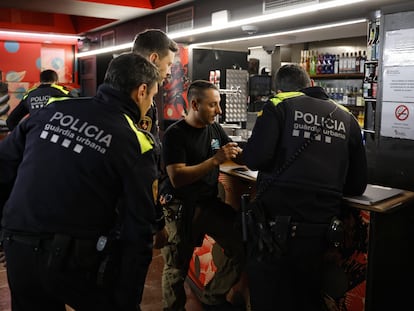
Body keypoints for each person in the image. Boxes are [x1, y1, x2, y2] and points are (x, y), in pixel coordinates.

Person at [0, 53, 161, 311]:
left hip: (18, 244)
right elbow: (138, 230)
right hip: (75, 258)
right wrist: (128, 301)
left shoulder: (52, 110)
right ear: (142, 91)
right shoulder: (136, 143)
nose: (150, 102)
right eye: (152, 95)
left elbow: (4, 166)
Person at [242, 64, 367, 311]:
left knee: (268, 299)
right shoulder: (346, 117)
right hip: (320, 235)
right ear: (311, 83)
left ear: (279, 88)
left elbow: (255, 159)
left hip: (274, 232)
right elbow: (356, 184)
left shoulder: (279, 105)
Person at [160, 80, 245, 311]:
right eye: (213, 105)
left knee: (241, 244)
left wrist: (254, 156)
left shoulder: (214, 129)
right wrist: (215, 160)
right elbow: (177, 177)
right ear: (195, 104)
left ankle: (212, 297)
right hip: (181, 207)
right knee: (177, 266)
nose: (219, 111)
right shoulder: (175, 135)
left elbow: (233, 153)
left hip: (208, 203)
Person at [132, 28, 178, 144]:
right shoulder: (133, 95)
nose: (169, 72)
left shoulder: (148, 96)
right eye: (168, 64)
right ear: (153, 59)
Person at [6, 69, 72, 131]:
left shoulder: (30, 95)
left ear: (40, 81)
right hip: (56, 135)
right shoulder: (63, 93)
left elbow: (10, 121)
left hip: (34, 136)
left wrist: (23, 136)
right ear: (57, 81)